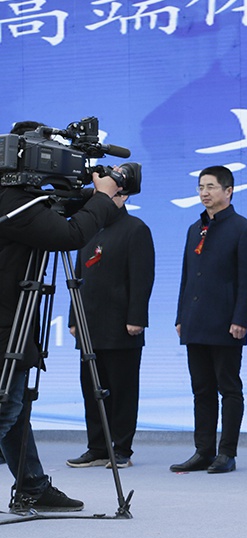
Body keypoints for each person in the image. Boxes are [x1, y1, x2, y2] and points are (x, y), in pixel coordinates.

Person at [0, 120, 123, 511]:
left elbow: (56, 218)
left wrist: (90, 197)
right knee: (7, 407)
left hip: (12, 318)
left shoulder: (15, 199)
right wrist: (102, 198)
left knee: (15, 405)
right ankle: (33, 485)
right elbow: (69, 236)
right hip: (7, 324)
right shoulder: (15, 202)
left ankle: (33, 485)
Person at [172, 166, 247, 474]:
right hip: (195, 321)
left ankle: (227, 453)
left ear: (228, 191)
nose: (204, 193)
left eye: (211, 187)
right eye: (201, 187)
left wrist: (241, 319)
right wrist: (181, 316)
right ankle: (203, 450)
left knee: (229, 388)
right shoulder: (194, 229)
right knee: (201, 389)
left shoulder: (244, 229)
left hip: (226, 323)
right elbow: (187, 276)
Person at [66, 195, 155, 470]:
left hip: (121, 325)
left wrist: (136, 317)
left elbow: (143, 277)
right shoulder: (87, 229)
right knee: (92, 389)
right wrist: (74, 318)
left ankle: (122, 448)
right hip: (89, 324)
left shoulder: (136, 228)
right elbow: (77, 277)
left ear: (123, 195)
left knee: (122, 390)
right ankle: (97, 448)